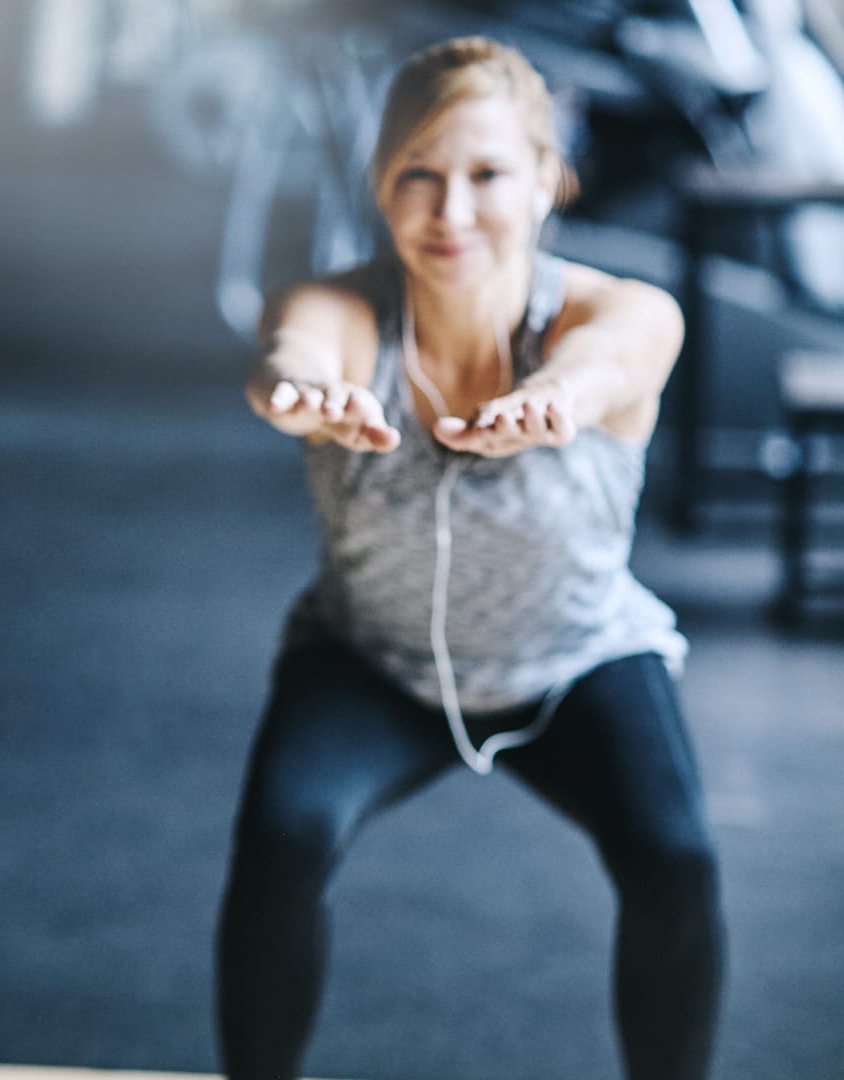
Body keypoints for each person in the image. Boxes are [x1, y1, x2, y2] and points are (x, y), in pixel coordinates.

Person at [220, 37, 722, 1080]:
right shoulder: (347, 309)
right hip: (373, 662)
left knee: (678, 859)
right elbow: (289, 351)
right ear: (380, 184)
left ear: (549, 178)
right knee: (284, 835)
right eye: (420, 175)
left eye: (488, 174)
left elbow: (610, 361)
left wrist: (557, 400)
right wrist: (299, 393)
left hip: (577, 659)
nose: (451, 212)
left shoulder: (614, 312)